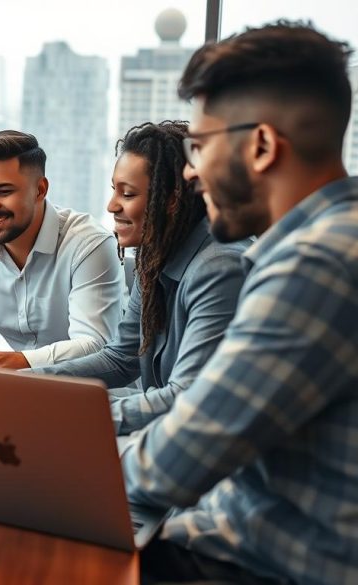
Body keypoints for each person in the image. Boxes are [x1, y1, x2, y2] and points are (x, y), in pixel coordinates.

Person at [122, 22, 358, 584]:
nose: (188, 169)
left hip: (256, 565)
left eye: (199, 146)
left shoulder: (317, 263)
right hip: (228, 534)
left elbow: (174, 464)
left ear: (260, 146)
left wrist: (44, 456)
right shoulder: (326, 241)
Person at [33, 121, 247, 434]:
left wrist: (70, 414)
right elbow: (121, 358)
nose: (112, 205)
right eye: (113, 190)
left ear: (171, 200)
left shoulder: (219, 269)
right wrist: (28, 385)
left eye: (127, 194)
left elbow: (186, 398)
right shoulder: (156, 255)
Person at [0, 130, 123, 369]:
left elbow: (94, 345)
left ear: (40, 190)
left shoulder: (90, 245)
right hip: (20, 390)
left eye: (3, 192)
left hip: (97, 394)